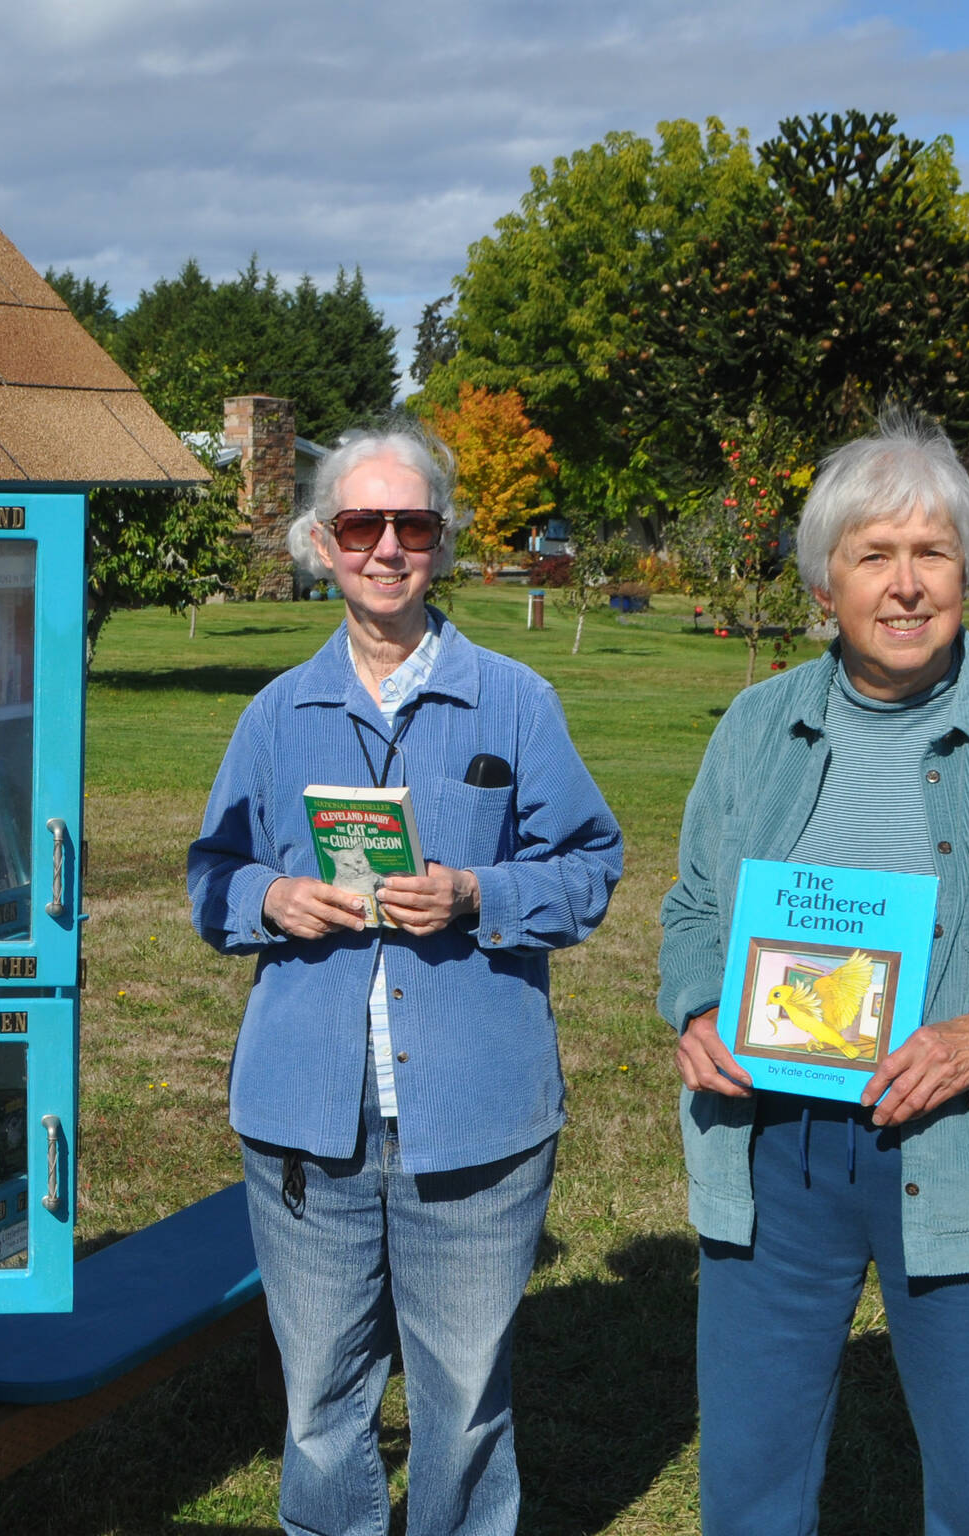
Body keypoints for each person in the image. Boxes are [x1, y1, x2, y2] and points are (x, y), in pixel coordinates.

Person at [188, 421, 623, 1536]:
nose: (385, 547)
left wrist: (477, 896)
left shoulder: (513, 703)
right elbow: (210, 879)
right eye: (358, 525)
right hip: (304, 1123)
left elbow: (588, 866)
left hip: (474, 1120)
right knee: (320, 1404)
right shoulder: (277, 714)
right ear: (321, 544)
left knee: (464, 1402)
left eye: (410, 524)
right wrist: (268, 901)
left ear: (441, 540)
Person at [659, 413, 969, 1535]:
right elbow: (695, 903)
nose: (904, 586)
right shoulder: (754, 726)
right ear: (824, 583)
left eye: (929, 552)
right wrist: (697, 1004)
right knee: (748, 1478)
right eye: (871, 556)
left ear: (968, 569)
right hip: (776, 1147)